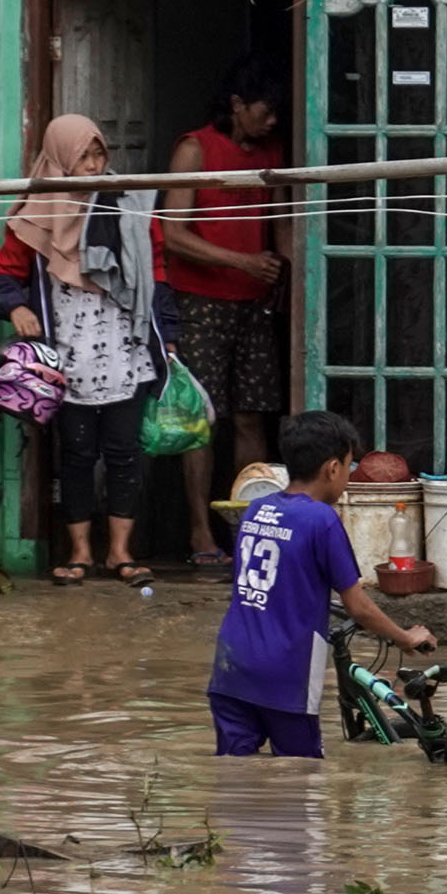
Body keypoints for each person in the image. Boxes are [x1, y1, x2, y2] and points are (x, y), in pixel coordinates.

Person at [205, 410, 436, 757]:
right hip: (284, 676)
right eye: (348, 466)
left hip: (231, 668)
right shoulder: (321, 519)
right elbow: (358, 606)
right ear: (332, 468)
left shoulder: (255, 510)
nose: (347, 476)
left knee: (237, 778)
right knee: (302, 777)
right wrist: (405, 638)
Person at [0, 113, 160, 589]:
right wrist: (16, 308)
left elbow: (156, 264)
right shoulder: (37, 204)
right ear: (61, 156)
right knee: (77, 454)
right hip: (66, 352)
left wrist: (165, 329)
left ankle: (121, 552)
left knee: (125, 452)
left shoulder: (126, 199)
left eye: (98, 153)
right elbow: (6, 270)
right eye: (82, 155)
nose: (92, 164)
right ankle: (80, 552)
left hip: (125, 348)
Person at [163, 53, 295, 563]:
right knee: (202, 422)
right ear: (237, 105)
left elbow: (284, 215)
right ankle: (200, 535)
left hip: (255, 303)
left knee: (251, 419)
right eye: (264, 110)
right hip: (201, 304)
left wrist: (287, 272)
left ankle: (250, 530)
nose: (272, 121)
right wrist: (243, 262)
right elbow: (174, 236)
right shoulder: (195, 150)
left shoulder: (273, 151)